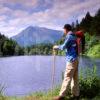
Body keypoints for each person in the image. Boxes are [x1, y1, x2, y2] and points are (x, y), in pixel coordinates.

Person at [53, 24, 80, 100]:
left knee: (67, 77)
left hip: (71, 60)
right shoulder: (74, 36)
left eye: (63, 29)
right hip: (76, 59)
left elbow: (63, 47)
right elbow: (69, 48)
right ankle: (76, 95)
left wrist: (56, 47)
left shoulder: (69, 37)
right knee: (75, 78)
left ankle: (61, 96)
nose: (63, 31)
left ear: (66, 29)